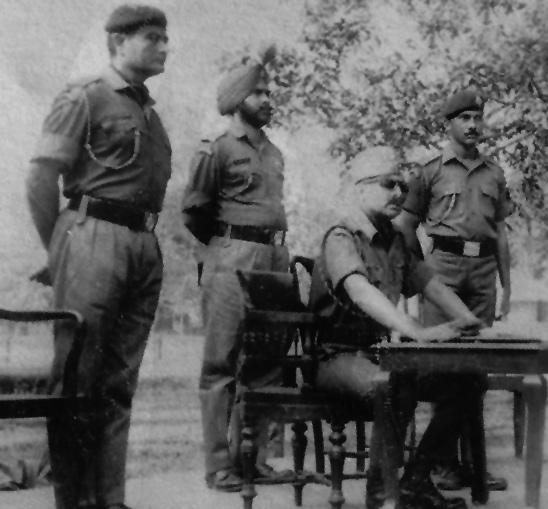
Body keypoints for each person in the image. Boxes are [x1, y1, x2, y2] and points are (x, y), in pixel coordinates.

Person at [25, 5, 171, 509]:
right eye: (152, 38)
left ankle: (110, 500)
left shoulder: (148, 112)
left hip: (141, 245)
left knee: (119, 384)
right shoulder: (85, 99)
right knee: (77, 378)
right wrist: (61, 249)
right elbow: (42, 177)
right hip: (92, 234)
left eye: (165, 39)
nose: (163, 47)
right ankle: (74, 501)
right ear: (117, 43)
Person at [309, 146, 484, 509]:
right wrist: (415, 330)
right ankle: (382, 494)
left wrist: (471, 322)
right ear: (359, 189)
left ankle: (416, 481)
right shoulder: (342, 236)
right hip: (336, 358)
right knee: (392, 384)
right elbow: (359, 291)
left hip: (382, 356)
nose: (399, 194)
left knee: (467, 380)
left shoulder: (397, 241)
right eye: (388, 184)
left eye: (402, 186)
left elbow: (431, 286)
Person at [181, 45, 291, 492]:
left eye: (269, 92)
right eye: (258, 93)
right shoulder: (217, 149)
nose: (268, 99)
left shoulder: (276, 152)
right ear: (237, 98)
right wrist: (224, 252)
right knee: (221, 362)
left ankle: (256, 458)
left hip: (274, 259)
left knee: (267, 361)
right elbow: (194, 212)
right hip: (231, 258)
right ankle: (219, 464)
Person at [395, 88, 512, 491]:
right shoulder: (430, 171)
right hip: (441, 268)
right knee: (443, 367)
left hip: (482, 273)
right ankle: (442, 467)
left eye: (478, 118)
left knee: (476, 370)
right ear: (449, 124)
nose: (473, 125)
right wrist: (419, 273)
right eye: (464, 118)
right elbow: (406, 225)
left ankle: (472, 464)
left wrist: (506, 285)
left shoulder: (494, 173)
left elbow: (499, 234)